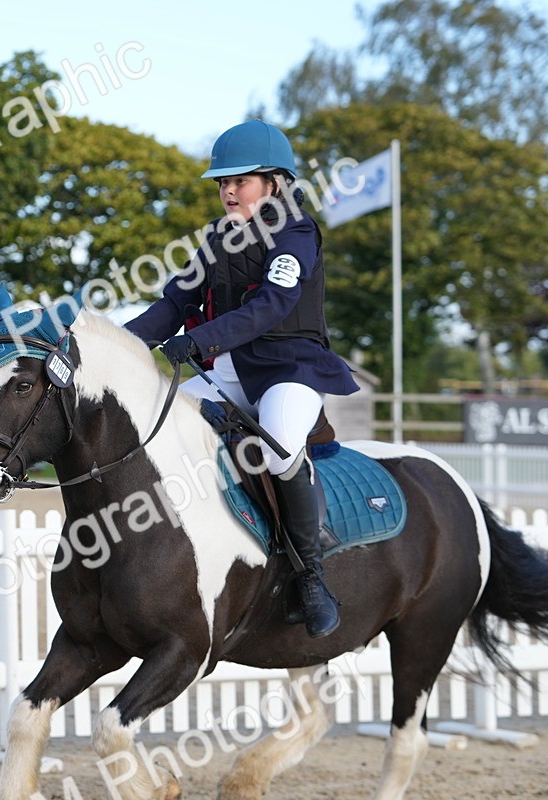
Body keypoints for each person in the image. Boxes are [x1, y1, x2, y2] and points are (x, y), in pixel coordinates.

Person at [125, 120, 359, 639]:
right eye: (223, 183)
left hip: (288, 370)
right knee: (156, 428)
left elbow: (273, 306)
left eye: (241, 181)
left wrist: (199, 341)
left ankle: (311, 577)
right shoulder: (215, 238)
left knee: (277, 450)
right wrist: (114, 347)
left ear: (275, 183)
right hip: (227, 371)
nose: (229, 191)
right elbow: (173, 305)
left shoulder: (297, 231)